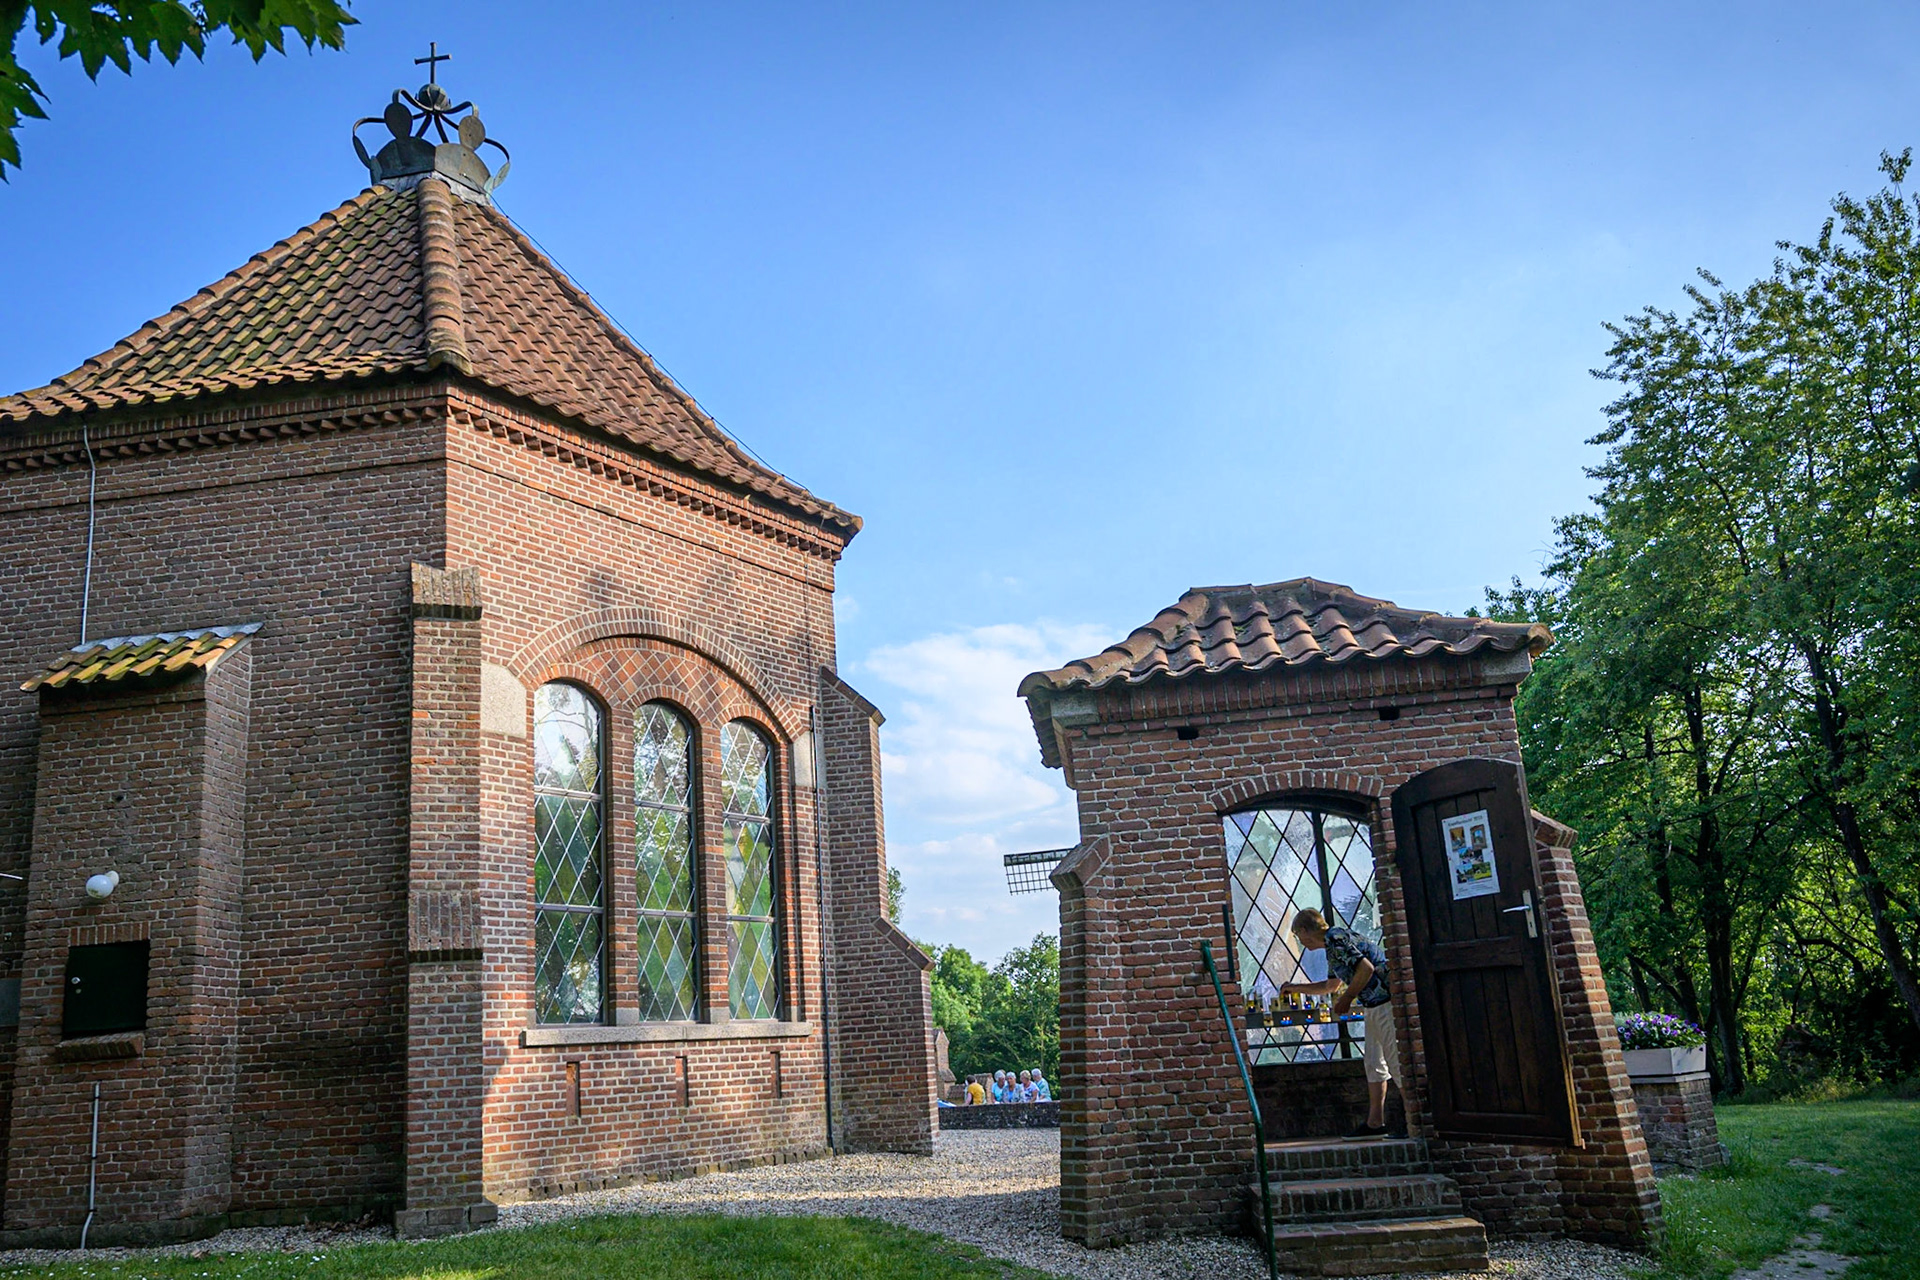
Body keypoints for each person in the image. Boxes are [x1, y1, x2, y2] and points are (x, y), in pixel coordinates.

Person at [1279, 907, 1403, 1139]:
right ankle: (1375, 1123)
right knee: (1374, 1063)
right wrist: (1294, 988)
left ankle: (1416, 1119)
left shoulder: (1336, 939)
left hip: (1384, 1003)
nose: (1300, 942)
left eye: (1298, 935)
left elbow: (1366, 969)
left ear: (1305, 930)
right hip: (1373, 1005)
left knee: (1395, 1062)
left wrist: (1347, 998)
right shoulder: (1332, 946)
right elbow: (1330, 986)